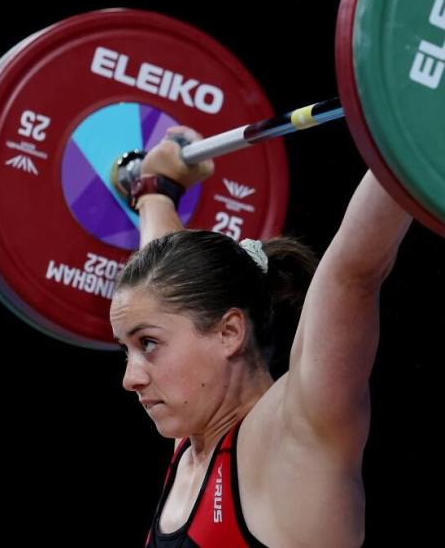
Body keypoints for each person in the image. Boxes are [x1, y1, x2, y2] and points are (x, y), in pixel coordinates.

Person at [111, 126, 412, 547]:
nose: (131, 378)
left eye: (147, 345)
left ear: (230, 332)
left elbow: (352, 272)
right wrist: (155, 191)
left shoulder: (295, 436)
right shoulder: (194, 440)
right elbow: (166, 296)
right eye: (126, 349)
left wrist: (410, 127)